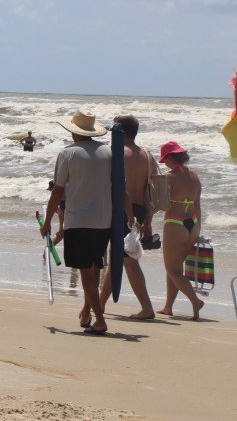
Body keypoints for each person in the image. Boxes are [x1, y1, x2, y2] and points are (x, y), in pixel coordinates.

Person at [40, 108, 136, 336]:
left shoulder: (68, 154)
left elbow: (58, 192)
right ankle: (85, 313)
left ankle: (100, 320)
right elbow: (121, 189)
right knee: (93, 270)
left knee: (86, 272)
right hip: (104, 222)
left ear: (74, 132)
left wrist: (48, 222)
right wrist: (130, 216)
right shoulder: (109, 152)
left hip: (78, 220)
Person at [98, 115, 155, 320]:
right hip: (140, 209)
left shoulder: (118, 152)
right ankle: (100, 304)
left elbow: (113, 185)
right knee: (119, 259)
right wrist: (148, 220)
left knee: (128, 260)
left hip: (123, 210)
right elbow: (154, 191)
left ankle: (147, 307)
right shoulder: (147, 155)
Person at [156, 141, 205, 321]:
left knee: (173, 270)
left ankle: (195, 300)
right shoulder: (194, 176)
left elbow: (161, 204)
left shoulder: (169, 177)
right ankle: (168, 307)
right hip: (192, 224)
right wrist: (197, 228)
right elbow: (197, 204)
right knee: (175, 268)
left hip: (174, 224)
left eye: (165, 159)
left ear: (169, 157)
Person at [47, 180, 65, 245]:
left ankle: (49, 248)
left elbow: (53, 206)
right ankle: (49, 248)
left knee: (61, 232)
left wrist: (58, 211)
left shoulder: (55, 192)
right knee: (62, 232)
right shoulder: (64, 188)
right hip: (64, 210)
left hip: (62, 210)